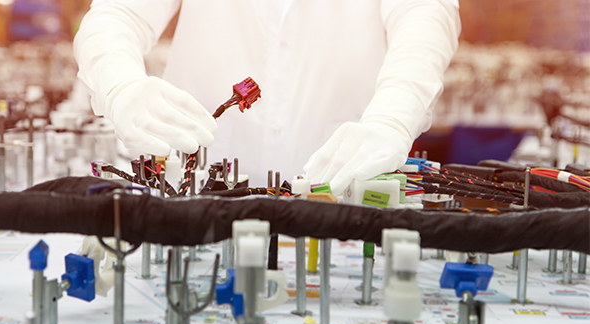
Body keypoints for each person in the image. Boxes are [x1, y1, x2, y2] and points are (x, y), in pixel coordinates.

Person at [74, 0, 460, 196]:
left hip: (340, 202)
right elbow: (117, 15)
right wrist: (120, 85)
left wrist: (393, 116)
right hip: (196, 196)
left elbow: (425, 20)